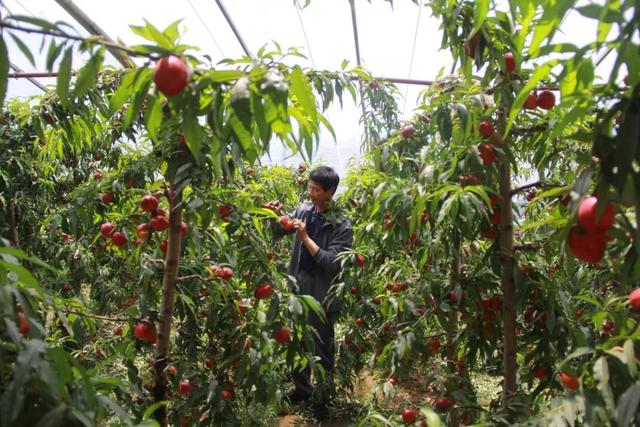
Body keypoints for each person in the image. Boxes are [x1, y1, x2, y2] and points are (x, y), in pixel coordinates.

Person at [271, 166, 353, 420]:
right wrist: (275, 216)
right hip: (300, 279)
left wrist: (305, 238)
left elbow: (332, 262)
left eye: (316, 190)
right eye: (310, 187)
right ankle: (302, 388)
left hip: (322, 288)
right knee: (297, 337)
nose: (311, 193)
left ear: (330, 191)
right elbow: (277, 233)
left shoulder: (342, 224)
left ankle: (323, 397)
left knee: (322, 343)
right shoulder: (305, 210)